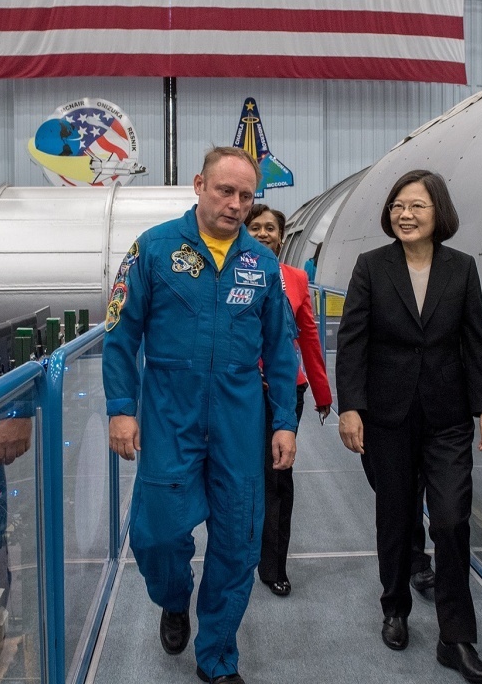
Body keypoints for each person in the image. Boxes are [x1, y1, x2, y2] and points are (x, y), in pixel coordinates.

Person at [103, 146, 299, 684]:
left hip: (240, 420)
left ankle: (216, 658)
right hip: (170, 414)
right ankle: (172, 597)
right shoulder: (153, 250)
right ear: (199, 184)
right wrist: (122, 409)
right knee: (157, 535)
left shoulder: (262, 265)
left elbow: (282, 348)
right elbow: (120, 335)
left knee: (238, 542)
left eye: (245, 195)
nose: (236, 204)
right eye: (225, 191)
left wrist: (285, 420)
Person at [336, 169, 482, 683]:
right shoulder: (371, 267)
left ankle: (457, 638)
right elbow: (353, 342)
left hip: (447, 418)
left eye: (416, 207)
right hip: (387, 416)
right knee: (396, 515)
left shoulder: (462, 269)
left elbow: (475, 342)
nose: (404, 215)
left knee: (451, 520)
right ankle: (395, 608)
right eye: (397, 206)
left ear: (439, 214)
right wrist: (350, 408)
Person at [245, 204, 333, 597]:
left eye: (271, 228)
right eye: (256, 227)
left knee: (278, 476)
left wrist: (322, 390)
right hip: (240, 390)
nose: (264, 233)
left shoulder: (296, 279)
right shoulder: (230, 274)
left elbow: (310, 338)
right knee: (244, 475)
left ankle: (274, 564)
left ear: (282, 237)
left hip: (284, 391)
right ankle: (239, 553)